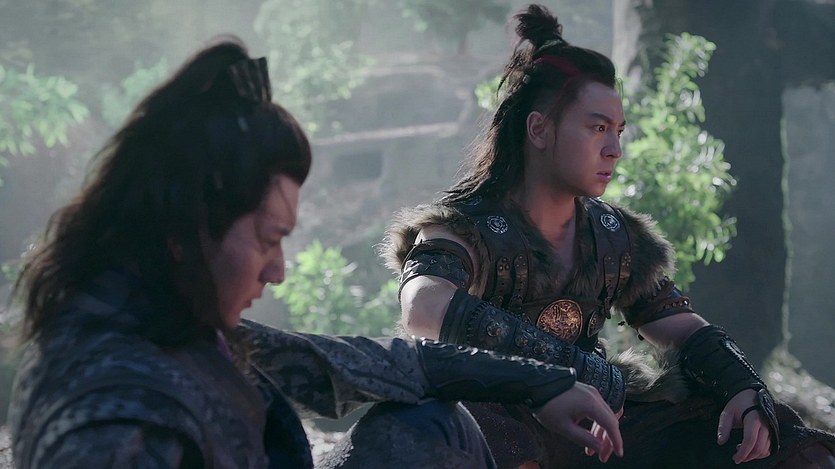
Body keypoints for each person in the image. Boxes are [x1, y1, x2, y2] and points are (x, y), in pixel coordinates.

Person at [7, 38, 625, 468]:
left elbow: (376, 365)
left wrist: (545, 383)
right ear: (186, 232)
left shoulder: (175, 330)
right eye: (268, 238)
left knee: (432, 422)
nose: (277, 270)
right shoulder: (110, 419)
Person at [377, 4, 835, 469]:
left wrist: (741, 382)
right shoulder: (462, 226)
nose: (614, 149)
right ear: (539, 129)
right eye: (597, 128)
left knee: (785, 443)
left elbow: (679, 326)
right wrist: (576, 373)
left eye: (618, 131)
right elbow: (424, 309)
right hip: (494, 416)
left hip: (598, 421)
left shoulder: (613, 236)